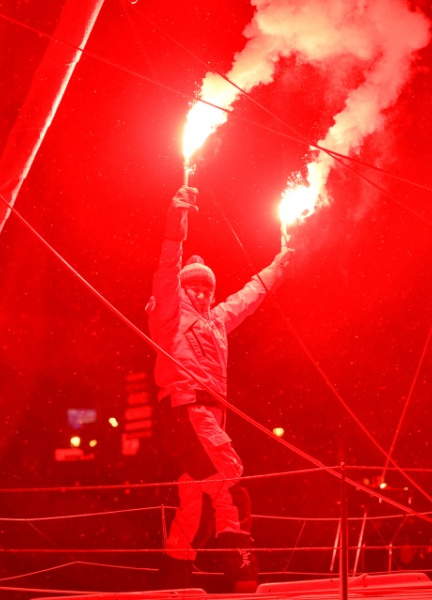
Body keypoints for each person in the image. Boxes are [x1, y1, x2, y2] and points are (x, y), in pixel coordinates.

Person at [146, 185, 292, 591]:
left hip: (208, 416)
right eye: (195, 287)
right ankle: (240, 569)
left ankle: (176, 573)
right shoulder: (171, 312)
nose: (202, 293)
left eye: (207, 288)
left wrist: (281, 264)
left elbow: (250, 295)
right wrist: (176, 223)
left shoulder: (216, 320)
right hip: (187, 410)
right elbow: (164, 269)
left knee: (193, 498)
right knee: (230, 481)